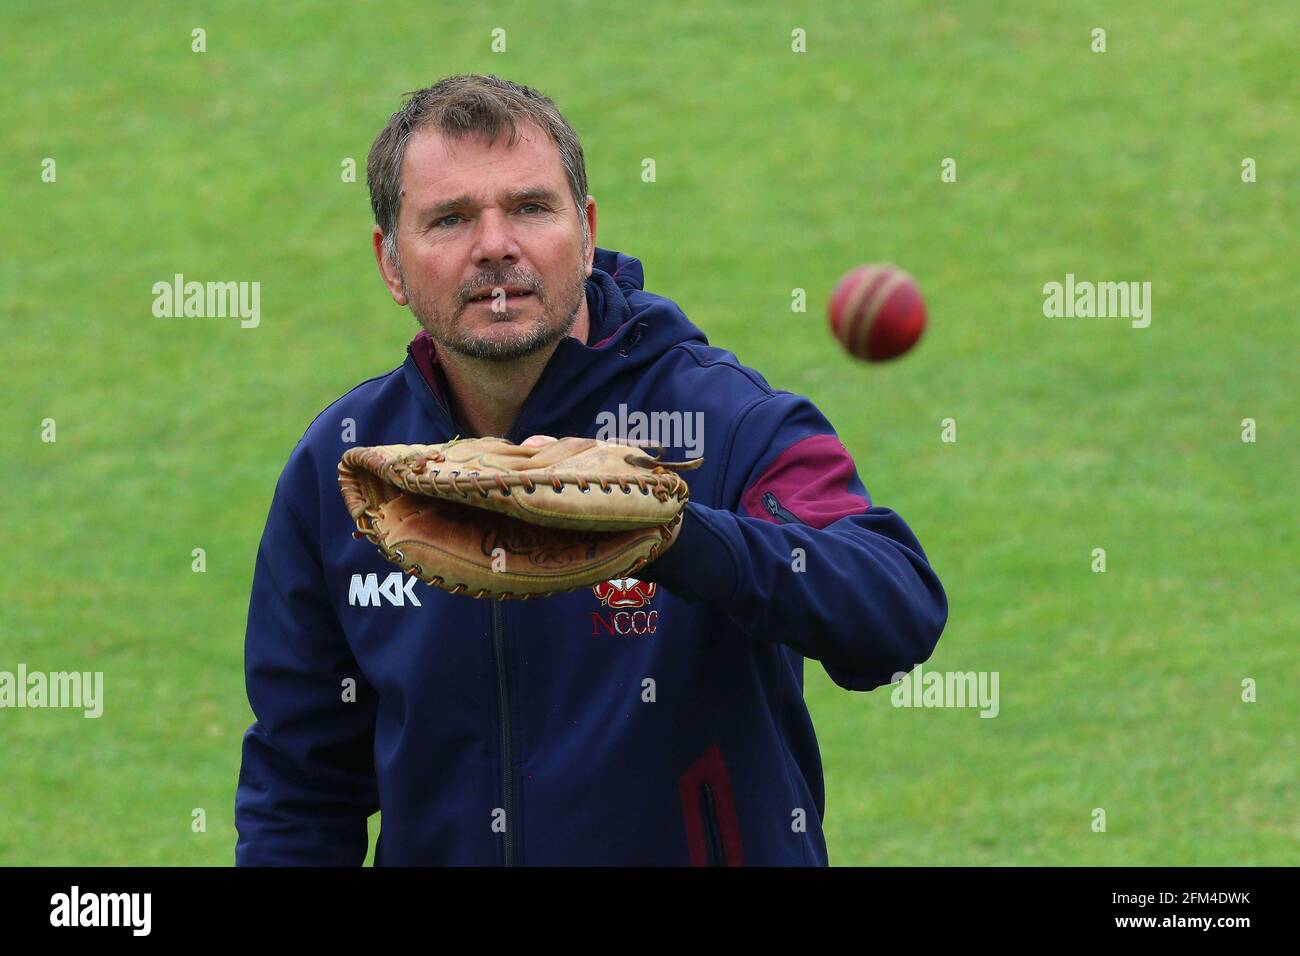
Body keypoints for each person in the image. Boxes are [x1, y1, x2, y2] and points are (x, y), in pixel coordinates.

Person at [234, 73, 947, 866]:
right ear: (391, 262)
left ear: (586, 227)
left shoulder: (727, 422)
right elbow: (300, 785)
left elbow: (895, 612)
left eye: (531, 208)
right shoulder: (348, 468)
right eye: (450, 218)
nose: (496, 244)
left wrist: (672, 535)